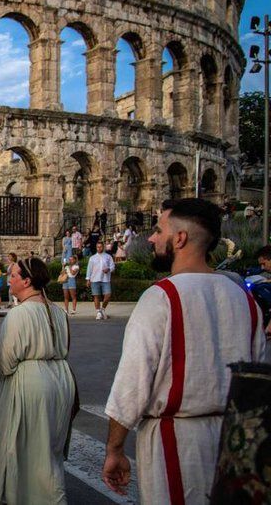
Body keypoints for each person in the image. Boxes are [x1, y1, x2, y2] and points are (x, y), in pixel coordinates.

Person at [103, 198, 266, 504]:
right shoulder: (245, 301)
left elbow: (132, 382)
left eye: (158, 230)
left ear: (179, 238)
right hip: (231, 440)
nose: (151, 239)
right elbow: (257, 379)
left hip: (175, 441)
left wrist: (114, 448)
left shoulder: (161, 297)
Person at [0, 257, 76, 504]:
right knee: (48, 445)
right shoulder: (58, 312)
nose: (9, 280)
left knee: (24, 445)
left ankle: (29, 495)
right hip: (61, 379)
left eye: (13, 276)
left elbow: (4, 361)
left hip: (31, 381)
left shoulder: (19, 314)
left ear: (27, 281)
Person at [86, 242, 115, 320]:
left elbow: (113, 266)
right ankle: (98, 312)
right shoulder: (92, 258)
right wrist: (88, 279)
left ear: (103, 247)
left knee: (108, 295)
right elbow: (89, 269)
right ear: (96, 248)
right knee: (96, 296)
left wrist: (108, 269)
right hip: (94, 279)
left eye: (100, 247)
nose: (99, 248)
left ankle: (102, 309)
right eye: (98, 247)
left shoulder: (108, 257)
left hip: (106, 279)